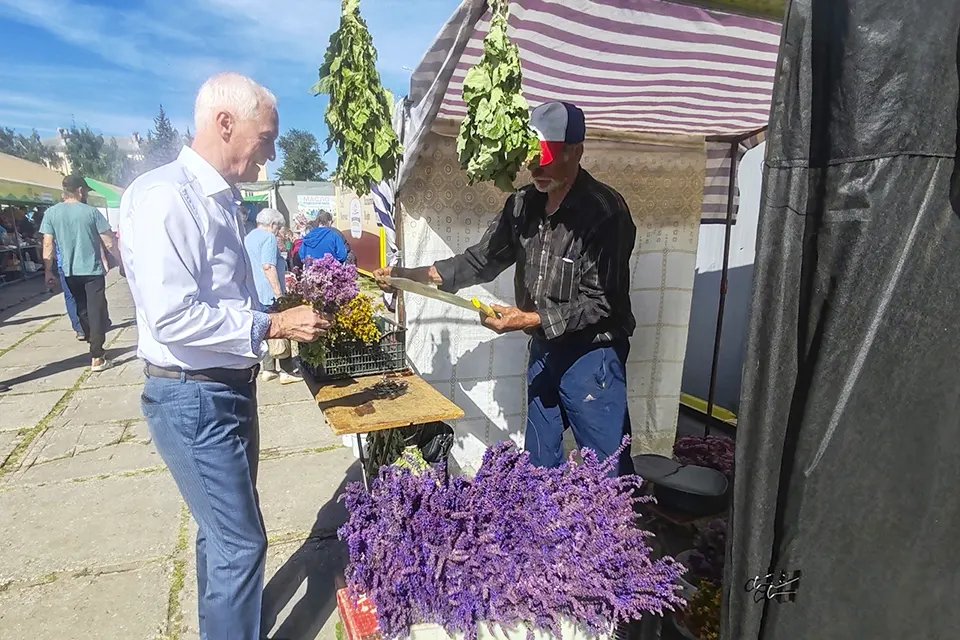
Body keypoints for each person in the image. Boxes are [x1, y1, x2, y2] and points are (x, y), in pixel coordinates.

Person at [118, 72, 331, 640]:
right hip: (194, 395)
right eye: (268, 138)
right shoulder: (169, 198)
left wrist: (272, 311)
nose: (273, 152)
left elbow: (219, 295)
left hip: (222, 389)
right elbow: (173, 316)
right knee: (241, 544)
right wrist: (272, 323)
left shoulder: (216, 198)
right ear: (225, 124)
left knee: (222, 534)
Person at [375, 101, 637, 476]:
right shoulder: (522, 206)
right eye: (531, 157)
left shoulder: (605, 211)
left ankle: (615, 532)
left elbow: (602, 303)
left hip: (592, 356)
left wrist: (528, 317)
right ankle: (543, 531)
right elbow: (479, 261)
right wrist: (406, 276)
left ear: (576, 152)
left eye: (546, 157)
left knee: (607, 469)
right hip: (545, 349)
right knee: (539, 462)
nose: (536, 168)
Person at [41, 174, 116, 372]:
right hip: (91, 270)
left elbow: (48, 243)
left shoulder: (51, 213)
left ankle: (92, 340)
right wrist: (122, 261)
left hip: (69, 271)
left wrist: (48, 272)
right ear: (81, 191)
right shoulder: (91, 212)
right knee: (96, 310)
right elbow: (108, 241)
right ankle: (97, 356)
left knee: (81, 309)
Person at [244, 207, 302, 384]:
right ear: (273, 223)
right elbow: (268, 266)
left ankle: (268, 369)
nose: (278, 231)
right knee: (281, 328)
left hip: (254, 291)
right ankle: (286, 371)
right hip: (269, 290)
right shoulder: (268, 238)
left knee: (264, 330)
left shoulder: (248, 237)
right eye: (279, 227)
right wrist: (279, 294)